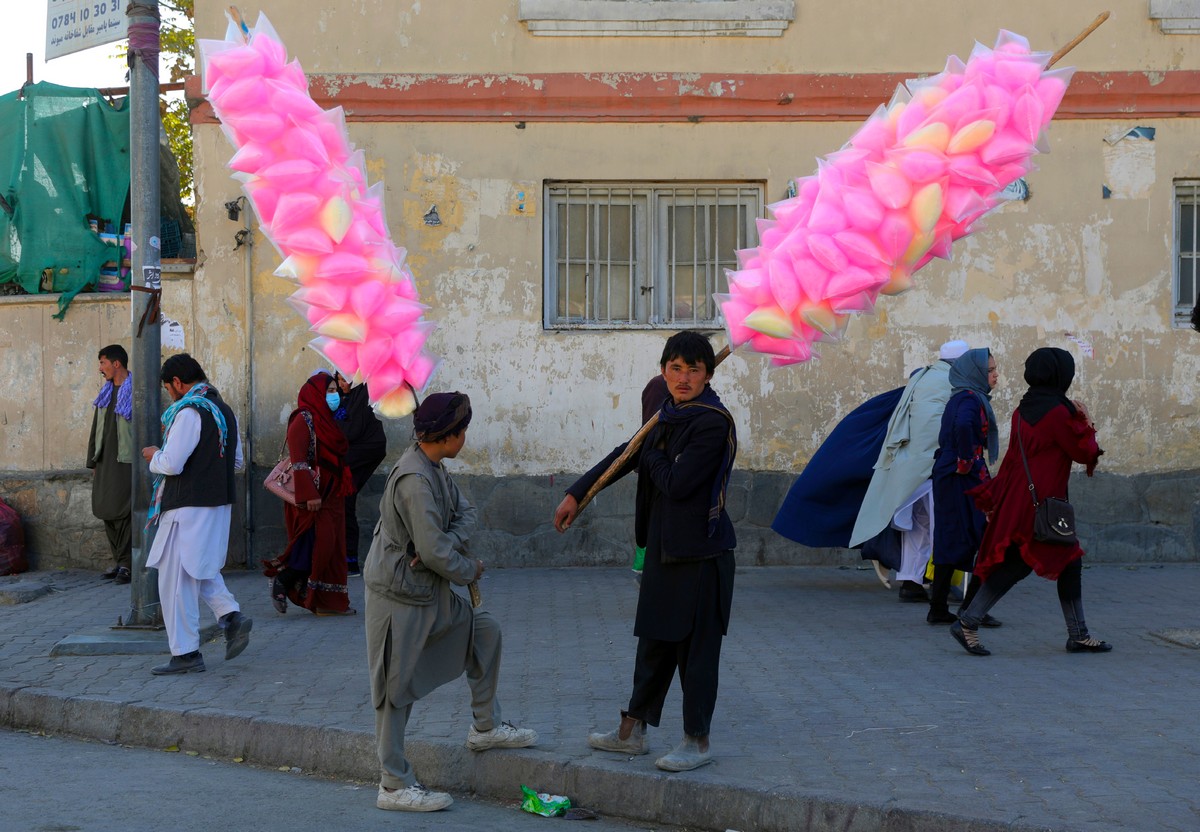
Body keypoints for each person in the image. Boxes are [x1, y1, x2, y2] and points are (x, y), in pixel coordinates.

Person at [555, 331, 737, 773]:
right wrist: (577, 495)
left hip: (700, 557)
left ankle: (697, 740)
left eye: (694, 370)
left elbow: (676, 483)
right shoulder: (668, 415)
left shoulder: (711, 421)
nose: (684, 377)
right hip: (663, 550)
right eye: (676, 368)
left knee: (695, 654)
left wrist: (652, 447)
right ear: (663, 370)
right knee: (654, 642)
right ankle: (632, 731)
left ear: (708, 374)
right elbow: (623, 455)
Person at [364, 391, 538, 813]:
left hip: (431, 590)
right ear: (450, 435)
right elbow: (435, 551)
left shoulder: (436, 468)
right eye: (464, 432)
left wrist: (446, 544)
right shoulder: (413, 480)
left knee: (485, 631)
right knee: (394, 689)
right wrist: (467, 567)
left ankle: (486, 725)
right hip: (399, 597)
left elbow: (465, 516)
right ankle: (393, 784)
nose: (466, 439)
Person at [950, 347, 1107, 656]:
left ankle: (1078, 634)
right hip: (1044, 503)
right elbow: (1084, 452)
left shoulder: (1023, 409)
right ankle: (968, 621)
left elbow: (1011, 460)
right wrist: (1085, 418)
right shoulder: (1059, 413)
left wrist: (998, 497)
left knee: (1048, 561)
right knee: (1032, 562)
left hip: (1021, 500)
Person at [142, 353, 251, 675]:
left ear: (177, 382)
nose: (169, 394)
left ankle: (186, 653)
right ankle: (231, 617)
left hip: (186, 505)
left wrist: (154, 455)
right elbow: (237, 463)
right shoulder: (225, 411)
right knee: (196, 568)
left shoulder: (190, 411)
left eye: (168, 388)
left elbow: (172, 463)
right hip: (217, 504)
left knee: (175, 580)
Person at [849, 340, 971, 602]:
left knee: (919, 526)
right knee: (945, 525)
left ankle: (911, 581)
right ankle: (942, 585)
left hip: (911, 467)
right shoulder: (954, 382)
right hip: (935, 467)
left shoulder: (924, 376)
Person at [262, 371, 355, 616]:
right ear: (316, 393)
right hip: (312, 495)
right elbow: (299, 459)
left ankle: (327, 602)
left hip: (331, 493)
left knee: (331, 545)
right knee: (319, 544)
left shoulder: (329, 419)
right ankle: (286, 579)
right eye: (330, 391)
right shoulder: (303, 419)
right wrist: (308, 493)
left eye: (336, 391)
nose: (335, 396)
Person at [927, 348, 1000, 624]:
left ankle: (941, 607)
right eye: (990, 371)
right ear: (976, 374)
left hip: (953, 475)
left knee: (953, 536)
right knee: (988, 537)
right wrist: (968, 461)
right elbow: (963, 425)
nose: (995, 376)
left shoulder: (964, 397)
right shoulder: (969, 401)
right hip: (960, 477)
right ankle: (971, 610)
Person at [332, 371, 387, 577]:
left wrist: (332, 426)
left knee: (345, 498)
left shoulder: (360, 396)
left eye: (345, 380)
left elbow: (351, 431)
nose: (341, 384)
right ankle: (347, 561)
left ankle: (350, 561)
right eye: (338, 380)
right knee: (345, 501)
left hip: (365, 451)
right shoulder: (343, 398)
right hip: (353, 454)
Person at [89, 344, 133, 584]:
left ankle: (127, 564)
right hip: (105, 461)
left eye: (103, 363)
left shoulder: (137, 391)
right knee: (106, 509)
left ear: (117, 364)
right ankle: (119, 561)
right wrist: (92, 461)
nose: (100, 368)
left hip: (126, 461)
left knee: (124, 512)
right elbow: (95, 429)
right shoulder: (105, 393)